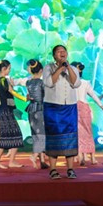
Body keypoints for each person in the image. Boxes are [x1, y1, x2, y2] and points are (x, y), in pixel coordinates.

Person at [43, 44, 81, 179]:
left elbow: (76, 83)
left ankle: (70, 169)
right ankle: (53, 169)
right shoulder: (48, 67)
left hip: (70, 107)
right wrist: (59, 68)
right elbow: (49, 82)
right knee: (54, 136)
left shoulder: (73, 69)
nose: (62, 53)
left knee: (70, 137)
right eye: (59, 52)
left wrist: (68, 67)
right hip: (53, 107)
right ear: (54, 55)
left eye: (64, 51)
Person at [71, 62, 103, 166]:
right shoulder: (82, 82)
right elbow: (94, 96)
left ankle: (84, 156)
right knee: (86, 133)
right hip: (80, 108)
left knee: (81, 133)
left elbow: (94, 96)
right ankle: (88, 157)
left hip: (77, 109)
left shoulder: (71, 83)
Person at [0, 60, 26, 169]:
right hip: (5, 111)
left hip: (6, 110)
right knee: (12, 135)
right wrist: (25, 98)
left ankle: (10, 161)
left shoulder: (2, 81)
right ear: (3, 69)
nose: (9, 71)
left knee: (12, 135)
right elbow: (12, 92)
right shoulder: (3, 81)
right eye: (9, 69)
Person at [25, 58, 48, 169]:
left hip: (31, 109)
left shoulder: (28, 82)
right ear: (41, 70)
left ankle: (42, 160)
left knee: (36, 134)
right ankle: (34, 156)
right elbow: (45, 96)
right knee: (42, 134)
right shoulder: (41, 83)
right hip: (40, 109)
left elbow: (30, 96)